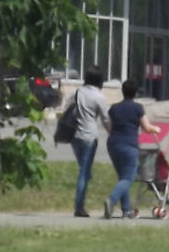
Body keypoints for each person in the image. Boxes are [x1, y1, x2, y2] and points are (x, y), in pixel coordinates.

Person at [105, 78, 163, 218]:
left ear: (123, 92)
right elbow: (146, 127)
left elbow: (110, 127)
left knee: (122, 177)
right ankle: (111, 200)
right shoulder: (137, 108)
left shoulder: (114, 108)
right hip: (129, 144)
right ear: (136, 93)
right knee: (128, 178)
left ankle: (126, 210)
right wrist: (157, 129)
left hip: (113, 144)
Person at [69, 67, 112, 217]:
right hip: (89, 136)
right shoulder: (98, 97)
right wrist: (111, 134)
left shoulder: (77, 92)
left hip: (74, 135)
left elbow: (68, 109)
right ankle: (79, 207)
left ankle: (86, 180)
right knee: (84, 172)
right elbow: (106, 118)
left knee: (84, 169)